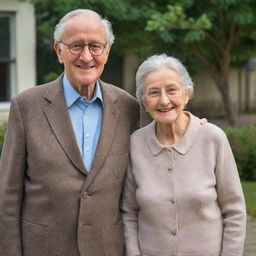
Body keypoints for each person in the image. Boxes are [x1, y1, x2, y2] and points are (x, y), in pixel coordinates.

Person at [0, 9, 140, 256]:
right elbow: (7, 196)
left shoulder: (128, 108)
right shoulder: (26, 106)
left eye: (95, 46)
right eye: (76, 46)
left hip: (108, 249)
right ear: (58, 51)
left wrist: (194, 126)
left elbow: (155, 149)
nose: (86, 56)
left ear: (106, 52)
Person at [121, 54, 246, 256]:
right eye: (153, 93)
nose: (164, 100)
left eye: (172, 90)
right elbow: (129, 212)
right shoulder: (135, 144)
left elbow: (234, 211)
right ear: (144, 102)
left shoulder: (212, 138)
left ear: (186, 94)